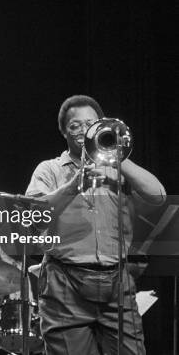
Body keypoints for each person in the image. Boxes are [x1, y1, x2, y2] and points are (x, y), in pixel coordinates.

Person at [25, 95, 166, 355]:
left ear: (100, 127)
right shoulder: (49, 170)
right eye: (74, 125)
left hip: (117, 282)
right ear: (64, 131)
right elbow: (31, 215)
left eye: (89, 123)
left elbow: (158, 196)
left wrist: (118, 159)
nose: (81, 130)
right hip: (65, 284)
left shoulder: (119, 169)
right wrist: (71, 186)